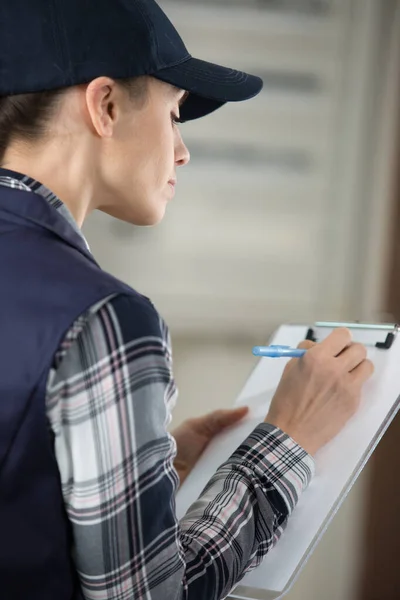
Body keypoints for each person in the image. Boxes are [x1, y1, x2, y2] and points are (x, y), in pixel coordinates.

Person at [0, 1, 374, 599]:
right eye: (174, 114)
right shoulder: (104, 318)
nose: (182, 151)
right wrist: (290, 438)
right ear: (107, 106)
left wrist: (157, 471)